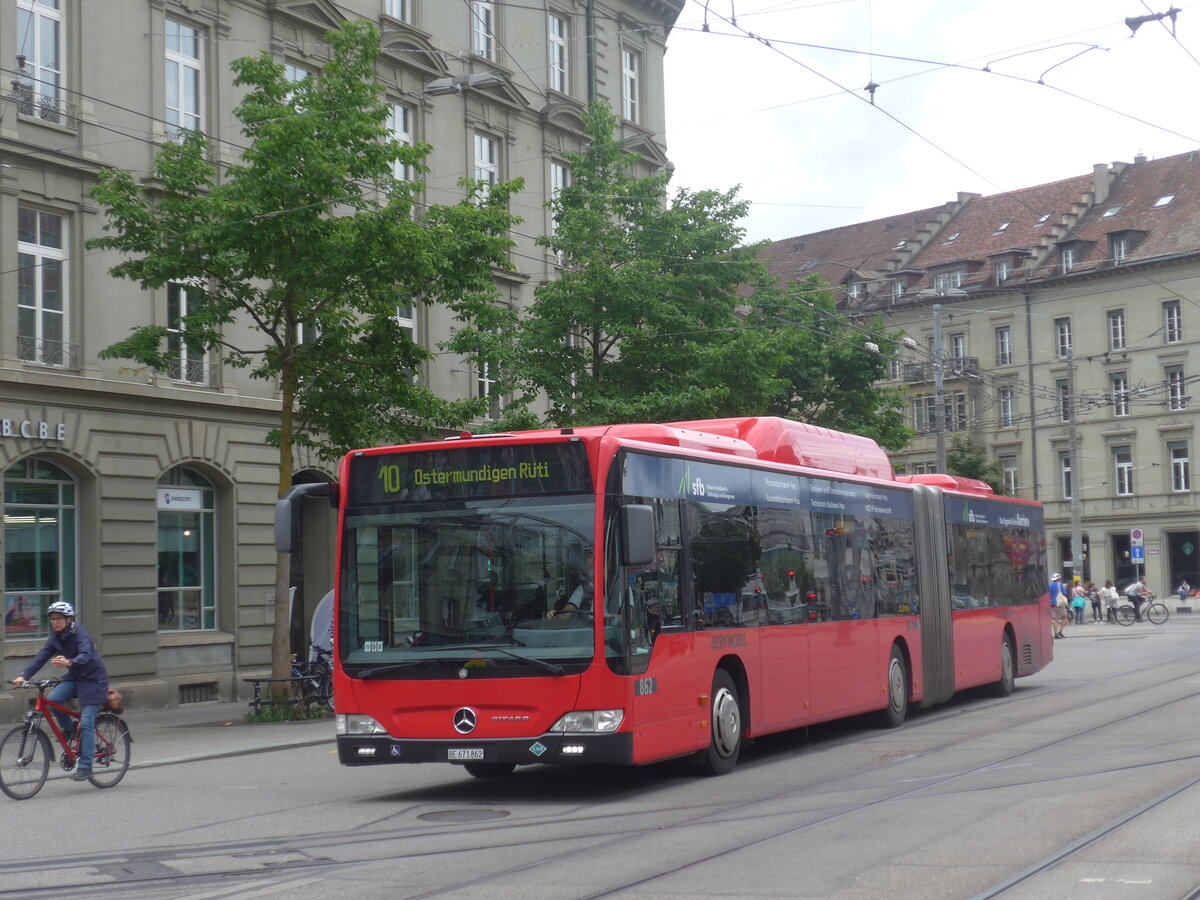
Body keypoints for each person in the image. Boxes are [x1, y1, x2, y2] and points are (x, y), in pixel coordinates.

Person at [10, 602, 109, 782]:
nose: (55, 622)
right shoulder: (55, 637)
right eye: (52, 619)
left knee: (87, 722)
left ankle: (86, 767)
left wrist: (70, 662)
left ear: (69, 619)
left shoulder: (79, 632)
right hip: (75, 678)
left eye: (59, 618)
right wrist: (23, 675)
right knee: (54, 699)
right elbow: (41, 657)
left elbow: (86, 653)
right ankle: (71, 729)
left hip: (94, 680)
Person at [1048, 573, 1068, 639]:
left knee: (1055, 620)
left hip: (1051, 604)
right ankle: (1060, 631)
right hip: (1059, 604)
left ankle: (1055, 634)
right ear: (1059, 579)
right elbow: (1064, 593)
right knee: (1065, 618)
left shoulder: (1049, 585)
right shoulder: (1060, 584)